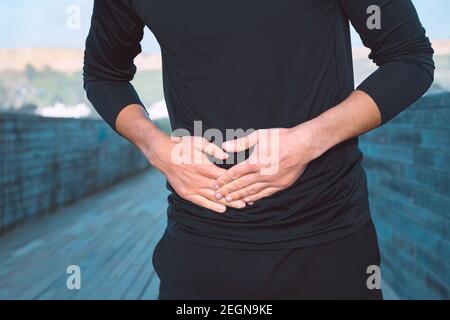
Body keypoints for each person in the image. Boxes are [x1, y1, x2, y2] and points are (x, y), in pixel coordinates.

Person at [83, 0, 434, 299]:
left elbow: (409, 58)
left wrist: (308, 140)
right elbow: (104, 74)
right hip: (200, 241)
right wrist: (157, 146)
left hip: (327, 243)